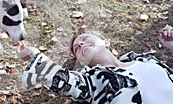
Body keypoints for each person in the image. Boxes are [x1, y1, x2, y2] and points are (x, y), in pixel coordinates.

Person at [17, 31, 173, 104]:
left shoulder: (146, 60)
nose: (80, 44)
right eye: (77, 48)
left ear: (106, 41)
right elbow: (65, 81)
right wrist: (32, 53)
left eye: (84, 39)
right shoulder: (91, 82)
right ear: (81, 61)